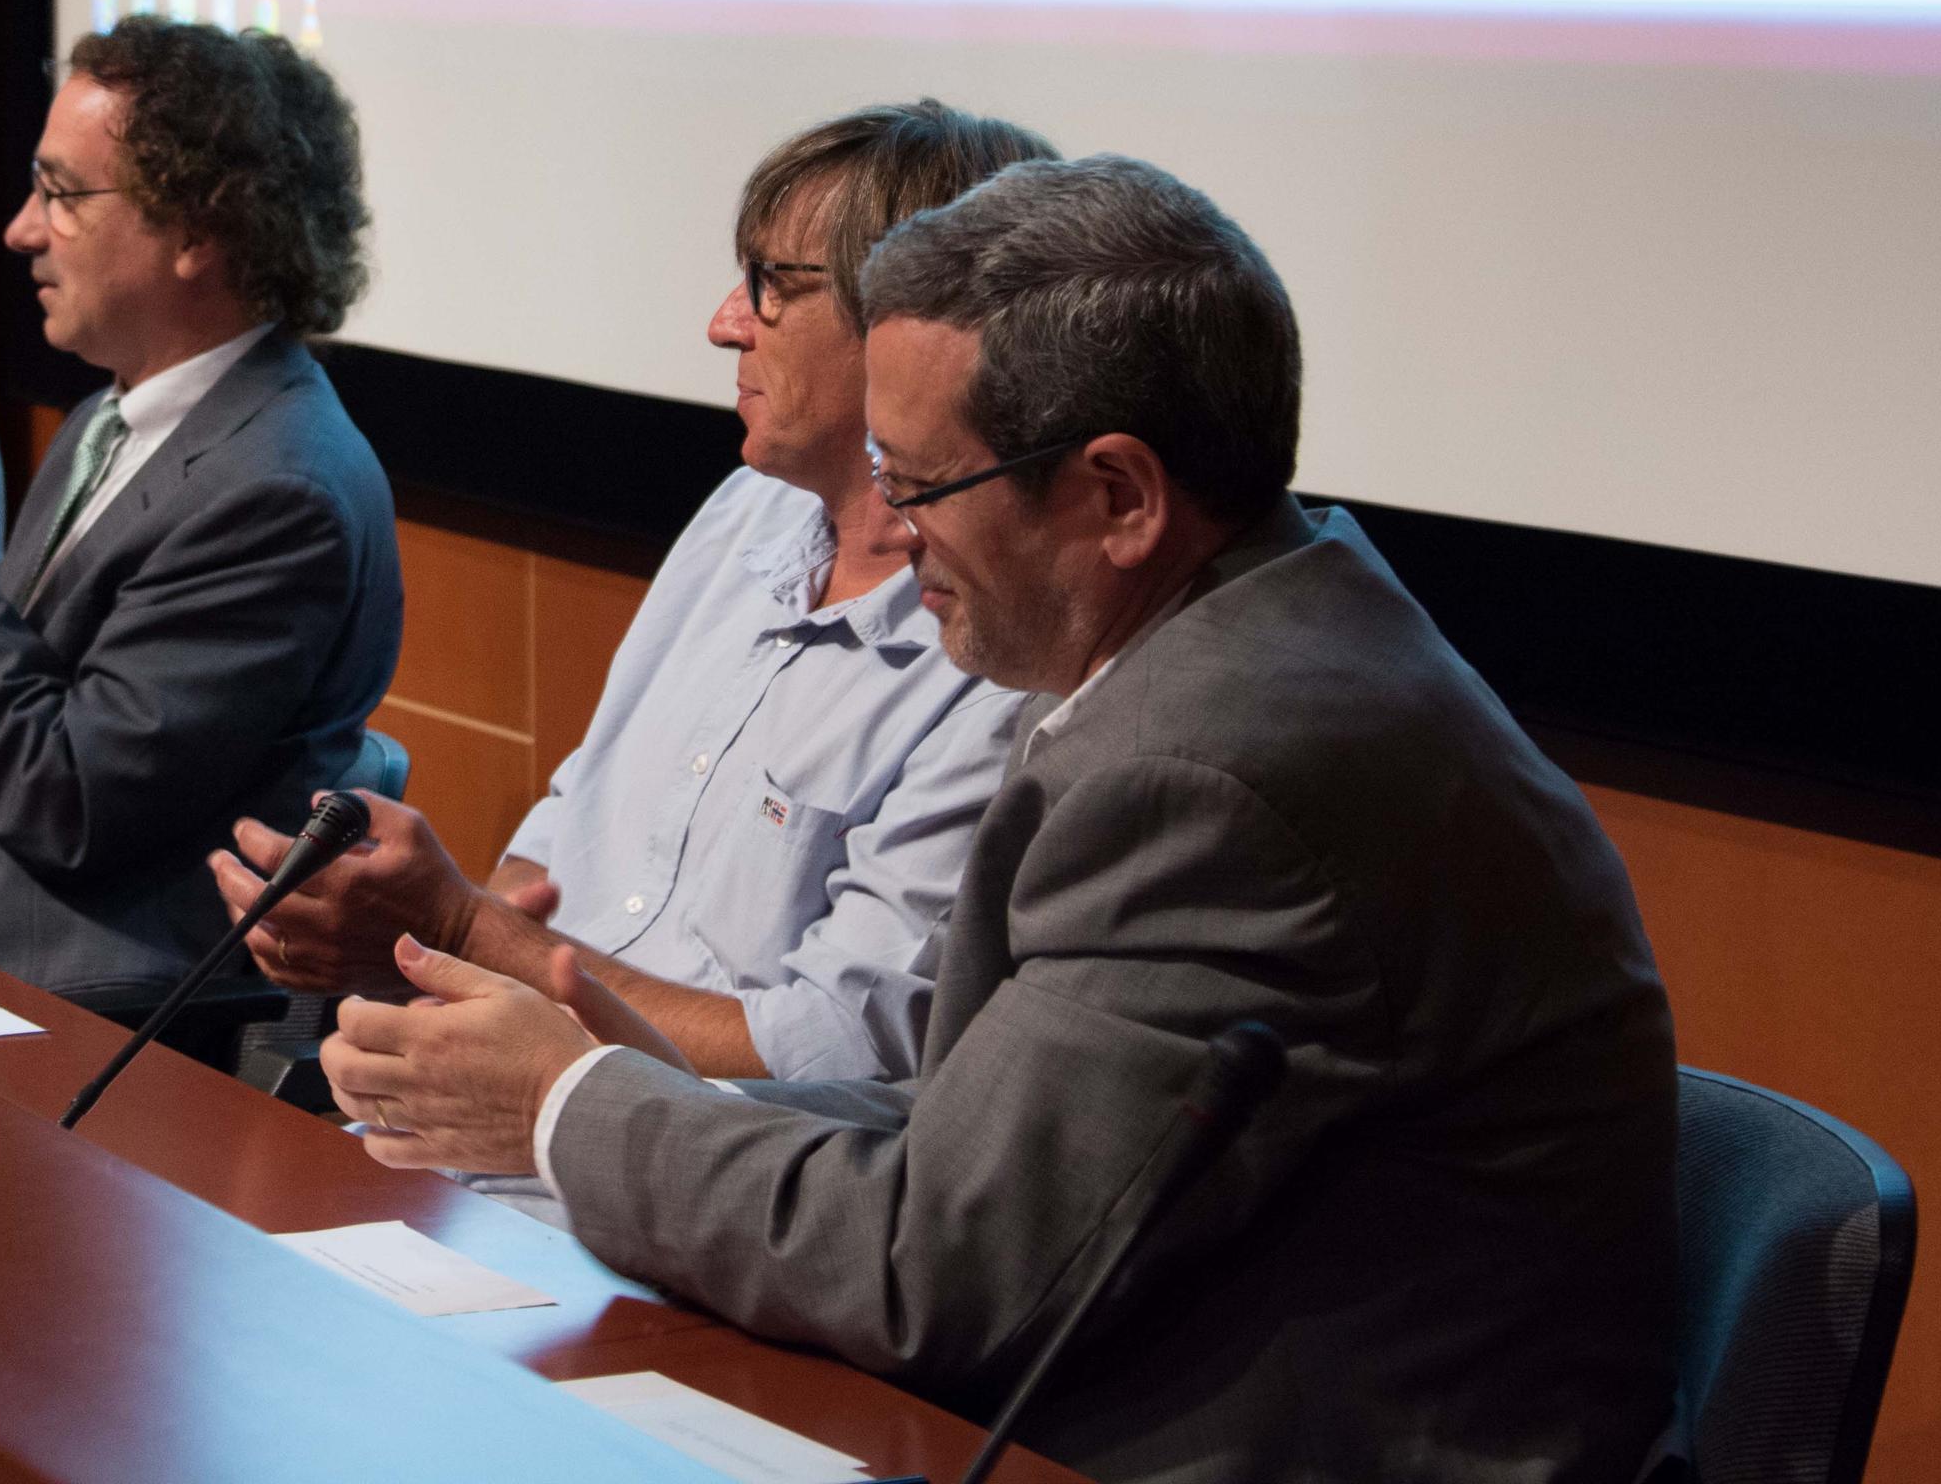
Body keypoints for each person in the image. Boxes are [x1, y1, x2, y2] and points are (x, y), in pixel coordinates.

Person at [319, 156, 1679, 1484]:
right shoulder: (1226, 636)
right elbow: (969, 1121)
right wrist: (649, 1095)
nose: (894, 536)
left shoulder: (1216, 770)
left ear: (1120, 497)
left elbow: (939, 1273)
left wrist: (560, 1107)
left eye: (918, 486)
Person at [211, 103, 1055, 1115]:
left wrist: (463, 933)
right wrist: (410, 947)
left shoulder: (1002, 644)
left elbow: (839, 1054)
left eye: (772, 286)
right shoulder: (748, 509)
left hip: (701, 1180)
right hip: (493, 1121)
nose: (724, 323)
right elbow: (573, 813)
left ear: (913, 323)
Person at [0, 17, 398, 1009]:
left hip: (90, 1013)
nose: (22, 228)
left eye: (62, 194)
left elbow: (67, 800)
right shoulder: (101, 422)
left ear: (201, 226)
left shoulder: (278, 489)